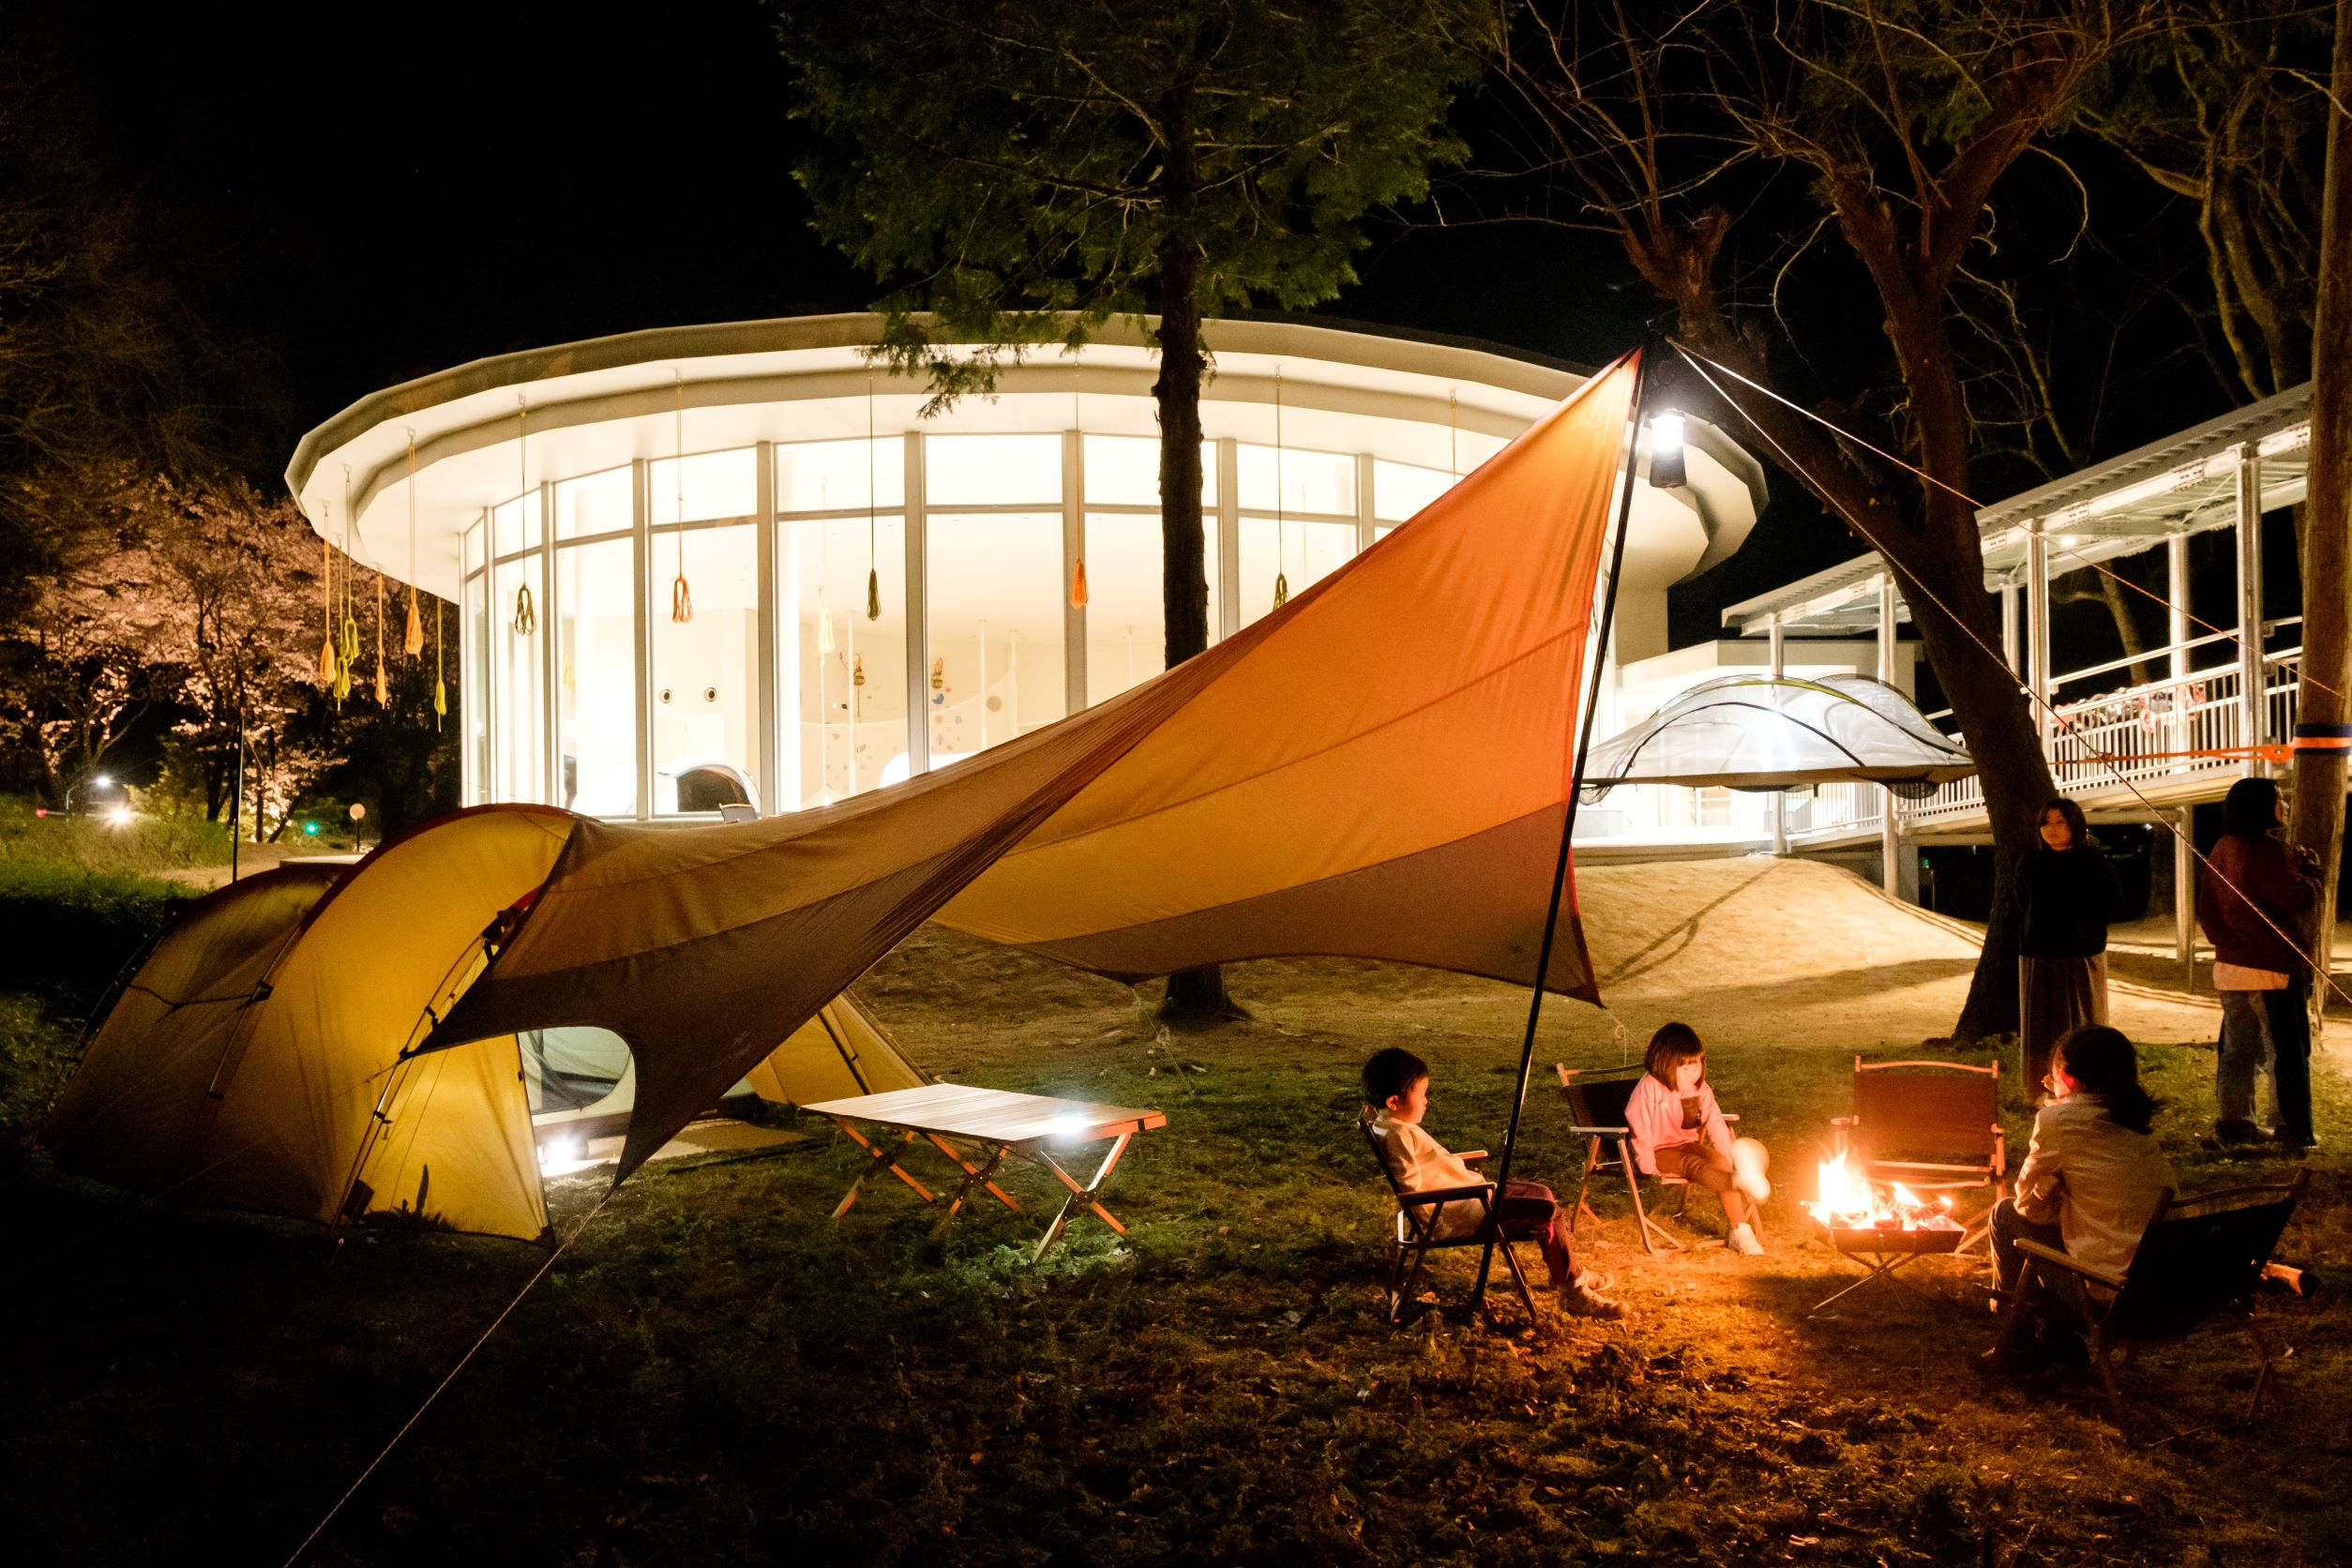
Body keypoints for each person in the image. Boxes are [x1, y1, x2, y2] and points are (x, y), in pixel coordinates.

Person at [1360, 1047, 1622, 1319]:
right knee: (1548, 1213)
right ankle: (1573, 1291)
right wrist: (1436, 1225)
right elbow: (1411, 1188)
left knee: (1542, 1193)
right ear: (1394, 1102)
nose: (1427, 1101)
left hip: (1471, 1196)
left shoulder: (1392, 1125)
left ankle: (1565, 1273)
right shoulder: (1398, 1135)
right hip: (1465, 1212)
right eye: (1421, 1094)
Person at [1982, 1025, 2173, 1371]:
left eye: (2054, 1074)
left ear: (2071, 1080)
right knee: (2067, 1217)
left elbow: (2028, 1209)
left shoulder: (2058, 1119)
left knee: (2005, 1215)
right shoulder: (2132, 1118)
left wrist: (2056, 1108)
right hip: (2160, 1290)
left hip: (2111, 1295)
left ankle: (2015, 1338)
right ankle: (2060, 1343)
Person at [2198, 776, 2320, 1151]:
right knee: (2286, 1050)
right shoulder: (2268, 851)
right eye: (2278, 799)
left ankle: (2234, 1122)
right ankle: (2291, 1128)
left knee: (2237, 1049)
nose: (2283, 805)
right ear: (2259, 807)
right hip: (2272, 968)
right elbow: (2292, 897)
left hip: (2230, 968)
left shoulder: (2221, 848)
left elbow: (2208, 908)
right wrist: (2311, 874)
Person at [1624, 1022, 1772, 1256]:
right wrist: (1647, 1167)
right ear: (1664, 1063)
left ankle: (1740, 1230)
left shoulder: (1700, 1089)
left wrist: (1728, 1159)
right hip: (1658, 1153)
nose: (1693, 1072)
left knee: (1717, 1161)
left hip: (1687, 1145)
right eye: (1685, 1067)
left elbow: (1716, 1124)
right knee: (1692, 1165)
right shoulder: (1649, 1088)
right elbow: (1638, 1129)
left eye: (1697, 1064)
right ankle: (1737, 1182)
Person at [2013, 796, 2116, 1105]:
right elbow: (2022, 901)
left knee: (2080, 1022)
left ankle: (2087, 1087)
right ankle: (2039, 1088)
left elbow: (2112, 903)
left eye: (2060, 822)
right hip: (2038, 954)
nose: (2052, 828)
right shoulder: (2031, 863)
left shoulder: (2093, 862)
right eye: (2046, 822)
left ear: (2075, 824)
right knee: (2039, 1026)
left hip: (2079, 953)